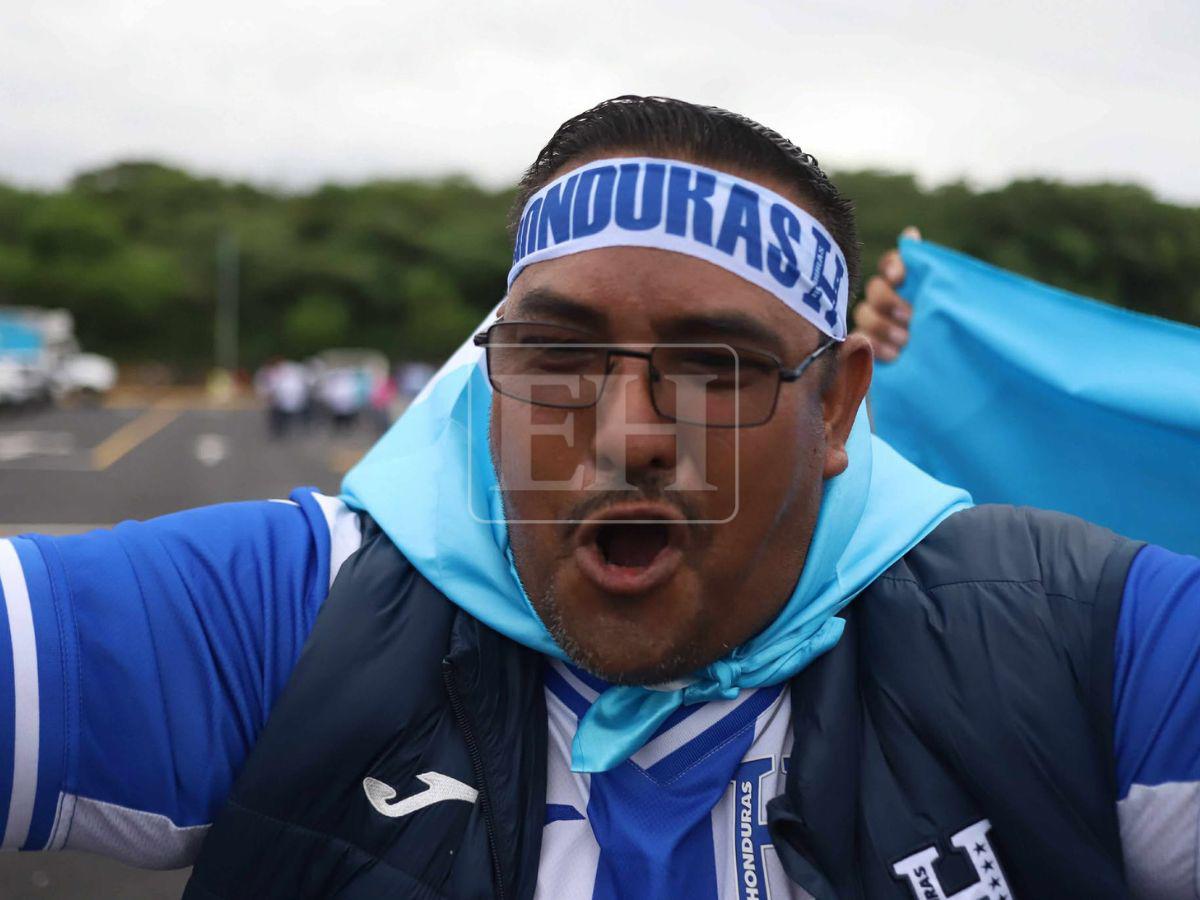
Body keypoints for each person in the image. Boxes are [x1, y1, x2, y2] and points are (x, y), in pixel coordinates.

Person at [0, 96, 1196, 900]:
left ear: (834, 410)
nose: (625, 439)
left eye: (714, 367)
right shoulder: (301, 615)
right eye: (558, 357)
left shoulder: (1075, 640)